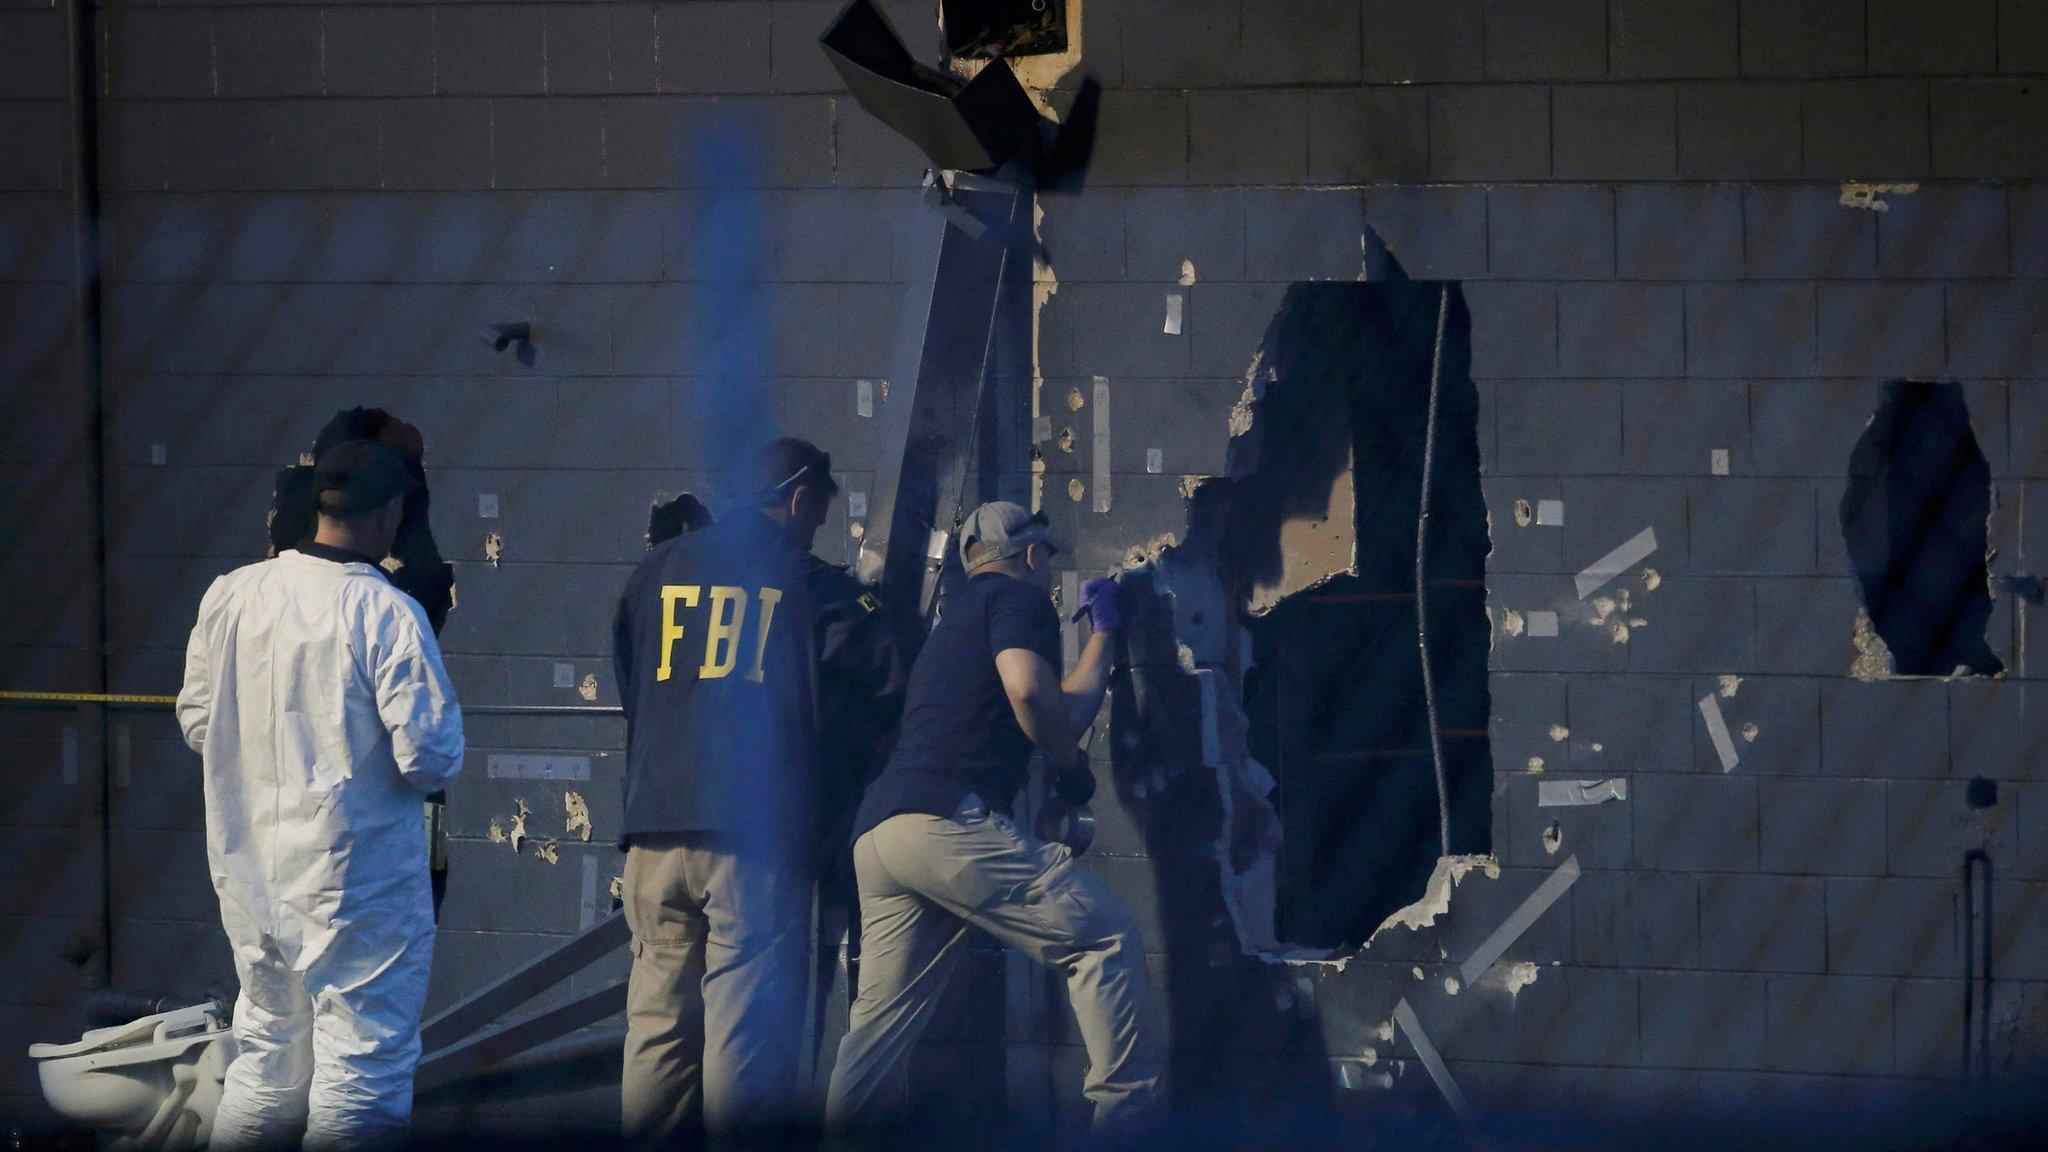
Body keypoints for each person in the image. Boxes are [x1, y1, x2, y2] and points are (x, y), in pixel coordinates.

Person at [825, 500, 1164, 1131]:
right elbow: (1032, 693)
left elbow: (1056, 703)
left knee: (874, 1037)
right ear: (1031, 557)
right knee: (1106, 938)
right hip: (945, 824)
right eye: (1047, 562)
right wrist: (1066, 763)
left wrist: (1102, 638)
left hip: (882, 835)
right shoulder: (1019, 600)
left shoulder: (955, 623)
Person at [176, 440, 465, 1149]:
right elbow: (431, 758)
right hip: (356, 888)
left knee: (265, 1064)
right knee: (362, 1076)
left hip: (249, 878)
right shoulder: (386, 612)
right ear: (392, 511)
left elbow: (196, 724)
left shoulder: (230, 595)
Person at [613, 438, 903, 1143]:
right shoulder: (807, 582)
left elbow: (634, 685)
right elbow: (886, 680)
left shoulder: (654, 572)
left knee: (655, 1030)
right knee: (743, 1038)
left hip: (652, 829)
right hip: (750, 840)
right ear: (801, 501)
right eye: (818, 512)